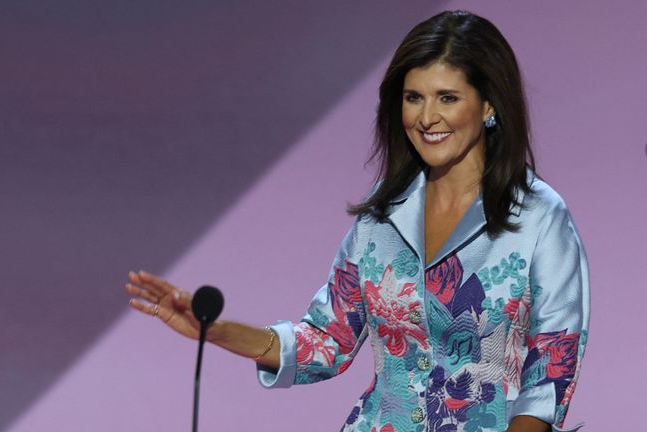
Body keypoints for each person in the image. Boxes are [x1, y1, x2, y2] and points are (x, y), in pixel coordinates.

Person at [126, 10, 589, 432]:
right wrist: (216, 331)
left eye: (447, 97)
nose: (427, 117)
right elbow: (326, 341)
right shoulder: (381, 218)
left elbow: (550, 371)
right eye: (414, 97)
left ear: (489, 105)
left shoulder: (540, 219)